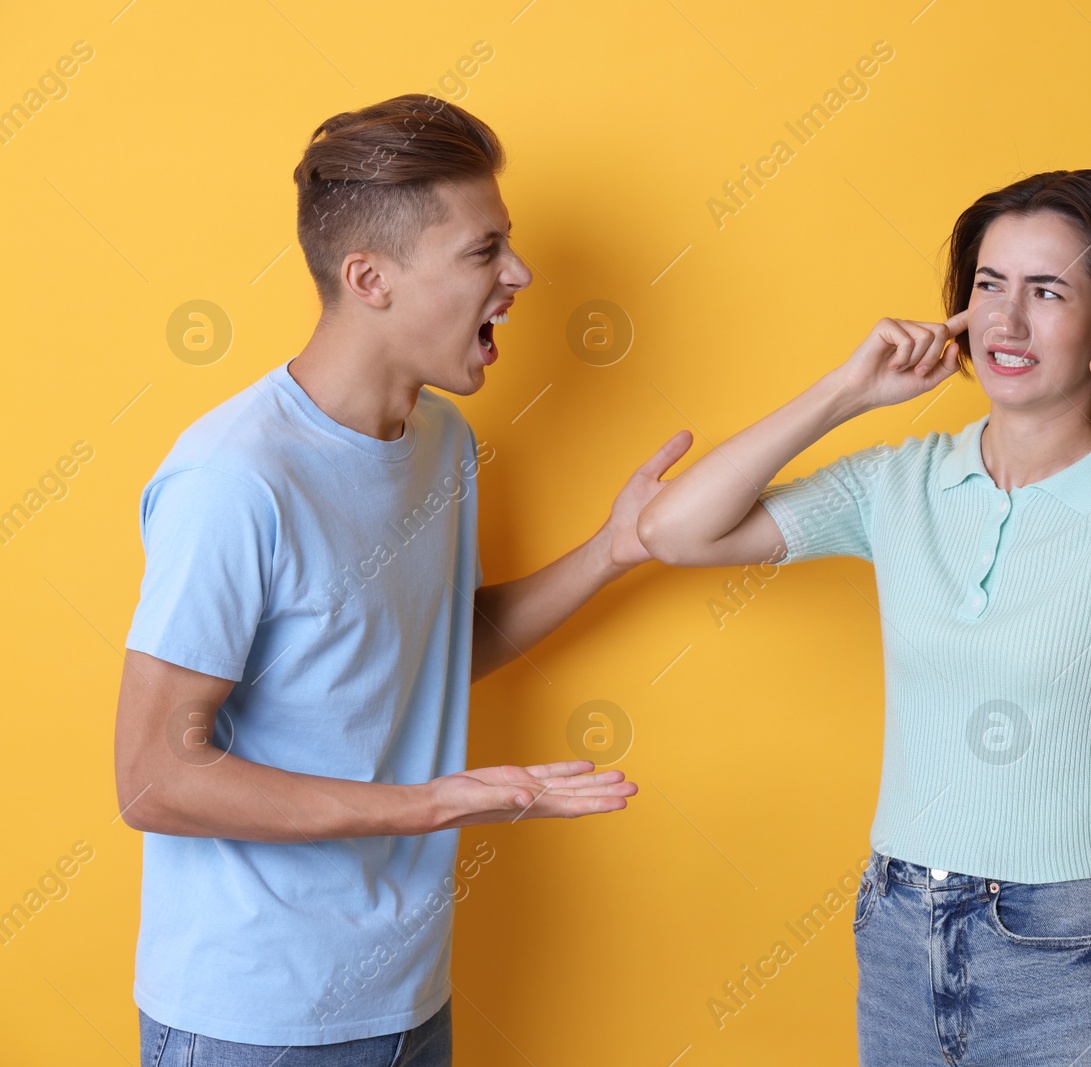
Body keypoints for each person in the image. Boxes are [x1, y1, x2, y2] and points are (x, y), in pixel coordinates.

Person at [114, 94, 686, 1064]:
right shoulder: (235, 478)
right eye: (482, 252)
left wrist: (610, 551)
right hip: (253, 1017)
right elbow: (155, 775)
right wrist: (436, 801)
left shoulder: (442, 444)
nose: (521, 275)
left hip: (405, 993)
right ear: (369, 277)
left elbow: (420, 651)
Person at [637, 169, 1091, 1065]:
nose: (1008, 320)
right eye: (989, 286)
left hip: (1063, 940)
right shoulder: (900, 481)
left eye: (1049, 290)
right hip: (897, 920)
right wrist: (847, 389)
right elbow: (672, 531)